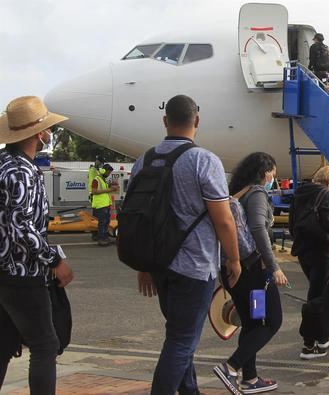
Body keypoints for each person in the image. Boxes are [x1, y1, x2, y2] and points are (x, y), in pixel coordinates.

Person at [132, 95, 242, 395]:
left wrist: (144, 266)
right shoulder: (204, 160)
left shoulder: (144, 160)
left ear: (165, 121)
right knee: (181, 341)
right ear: (197, 121)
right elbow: (223, 220)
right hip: (195, 267)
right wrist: (234, 259)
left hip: (158, 265)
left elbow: (138, 217)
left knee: (181, 336)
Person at [0, 96, 74, 394]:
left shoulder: (4, 164)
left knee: (4, 344)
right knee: (45, 345)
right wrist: (54, 259)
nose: (48, 135)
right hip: (21, 273)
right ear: (36, 134)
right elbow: (21, 225)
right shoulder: (22, 172)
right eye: (46, 129)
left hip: (3, 272)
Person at [214, 152, 287, 394]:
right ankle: (231, 367)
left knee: (253, 322)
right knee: (272, 321)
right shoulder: (257, 193)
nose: (273, 180)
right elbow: (258, 228)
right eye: (272, 175)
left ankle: (251, 378)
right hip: (254, 271)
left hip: (232, 269)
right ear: (264, 173)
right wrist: (274, 266)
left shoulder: (236, 192)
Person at [289, 166, 329, 359]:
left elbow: (292, 223)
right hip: (322, 250)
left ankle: (324, 333)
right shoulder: (326, 196)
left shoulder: (299, 193)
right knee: (318, 296)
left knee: (317, 291)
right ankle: (310, 343)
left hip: (304, 250)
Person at [91, 163, 118, 246]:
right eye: (108, 172)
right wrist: (109, 190)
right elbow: (94, 191)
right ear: (103, 171)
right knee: (102, 223)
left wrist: (110, 188)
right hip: (100, 205)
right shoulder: (96, 180)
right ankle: (101, 239)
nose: (109, 174)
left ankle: (105, 237)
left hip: (105, 205)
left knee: (106, 222)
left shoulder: (103, 180)